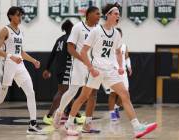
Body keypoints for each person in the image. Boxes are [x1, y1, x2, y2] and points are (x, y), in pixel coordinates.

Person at [64, 3, 157, 138]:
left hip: (110, 70)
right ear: (108, 15)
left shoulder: (116, 34)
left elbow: (119, 52)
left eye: (119, 14)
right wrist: (90, 68)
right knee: (83, 97)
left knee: (124, 94)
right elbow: (84, 52)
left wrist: (120, 66)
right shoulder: (96, 31)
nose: (118, 16)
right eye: (116, 13)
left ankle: (137, 127)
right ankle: (69, 124)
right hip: (96, 69)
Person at [0, 6, 44, 135]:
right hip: (7, 65)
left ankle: (33, 124)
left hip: (19, 66)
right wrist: (10, 56)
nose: (20, 18)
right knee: (0, 98)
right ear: (11, 16)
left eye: (21, 15)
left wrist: (34, 61)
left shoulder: (20, 31)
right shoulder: (4, 30)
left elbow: (21, 52)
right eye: (18, 15)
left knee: (31, 92)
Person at [53, 6, 101, 133]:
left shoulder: (98, 30)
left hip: (94, 65)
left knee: (92, 94)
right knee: (73, 91)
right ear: (89, 14)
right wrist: (84, 60)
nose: (99, 16)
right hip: (79, 64)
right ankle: (59, 112)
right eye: (97, 14)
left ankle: (88, 123)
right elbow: (70, 48)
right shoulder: (78, 27)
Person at [42, 20, 85, 125]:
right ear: (71, 28)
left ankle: (72, 112)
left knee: (68, 92)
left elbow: (52, 55)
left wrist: (47, 69)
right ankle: (49, 116)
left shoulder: (59, 39)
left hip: (59, 69)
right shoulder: (70, 40)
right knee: (63, 92)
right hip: (66, 68)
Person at [106, 28, 133, 122]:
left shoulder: (124, 46)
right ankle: (111, 113)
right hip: (113, 72)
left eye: (119, 34)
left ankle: (117, 107)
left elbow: (127, 57)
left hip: (123, 72)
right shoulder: (109, 45)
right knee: (113, 93)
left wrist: (129, 66)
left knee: (126, 93)